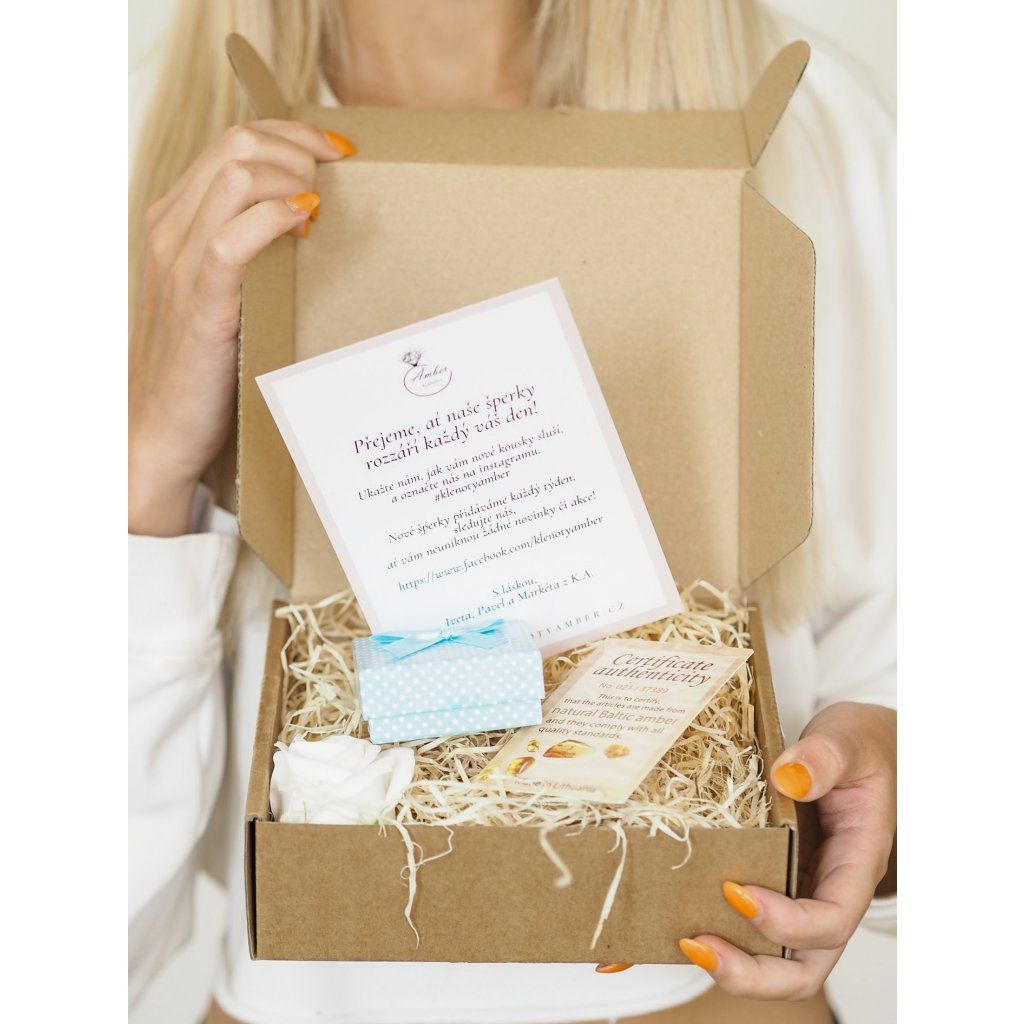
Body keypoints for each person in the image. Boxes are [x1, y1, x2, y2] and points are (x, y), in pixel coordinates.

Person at [128, 2, 896, 1022]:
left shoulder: (805, 128)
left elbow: (906, 635)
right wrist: (149, 456)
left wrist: (894, 759)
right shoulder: (153, 160)